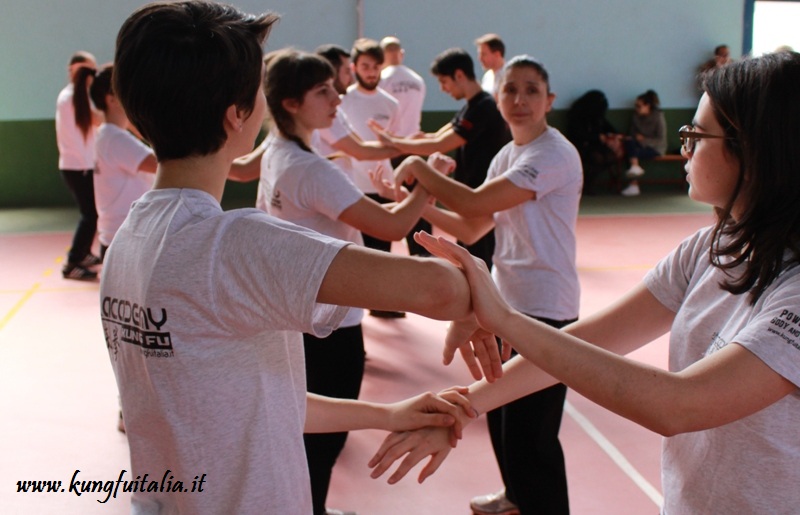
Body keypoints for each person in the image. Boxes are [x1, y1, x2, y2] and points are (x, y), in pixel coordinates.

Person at [103, 2, 504, 514]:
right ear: (238, 115)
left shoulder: (127, 242)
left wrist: (386, 414)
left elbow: (254, 402)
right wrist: (475, 299)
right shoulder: (232, 243)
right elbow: (440, 288)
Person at [370, 51, 800, 515]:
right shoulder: (711, 247)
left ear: (755, 151)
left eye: (696, 133)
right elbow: (590, 341)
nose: (687, 147)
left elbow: (679, 405)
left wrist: (506, 320)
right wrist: (462, 407)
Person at [381, 55, 582, 515]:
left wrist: (414, 162)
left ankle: (542, 505)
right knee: (504, 415)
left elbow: (474, 199)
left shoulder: (553, 153)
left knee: (534, 429)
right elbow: (472, 226)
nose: (519, 99)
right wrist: (419, 200)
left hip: (547, 305)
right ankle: (516, 496)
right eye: (510, 90)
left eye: (532, 90)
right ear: (497, 97)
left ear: (549, 100)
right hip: (506, 302)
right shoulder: (508, 154)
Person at [257, 48, 441, 515]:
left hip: (297, 312)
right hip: (329, 322)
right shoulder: (311, 169)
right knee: (322, 440)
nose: (337, 97)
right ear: (291, 103)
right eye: (323, 91)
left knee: (306, 434)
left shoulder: (278, 152)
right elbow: (393, 227)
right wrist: (429, 180)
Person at [370, 48, 510, 269]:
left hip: (482, 199)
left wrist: (397, 145)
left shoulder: (484, 107)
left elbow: (439, 144)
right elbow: (435, 136)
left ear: (459, 75)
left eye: (445, 81)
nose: (443, 89)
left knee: (480, 266)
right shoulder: (470, 107)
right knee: (469, 261)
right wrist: (396, 138)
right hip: (469, 200)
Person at [88, 64, 157, 259]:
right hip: (124, 241)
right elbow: (166, 164)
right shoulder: (115, 138)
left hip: (121, 239)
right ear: (111, 100)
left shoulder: (110, 134)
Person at [379, 35, 432, 258]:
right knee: (420, 204)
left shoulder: (381, 80)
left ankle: (385, 257)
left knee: (389, 204)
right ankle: (425, 253)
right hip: (416, 146)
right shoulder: (417, 80)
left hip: (391, 148)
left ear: (382, 56)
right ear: (400, 54)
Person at [55, 51, 101, 280]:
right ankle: (73, 262)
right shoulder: (71, 97)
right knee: (90, 214)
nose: (90, 75)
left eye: (93, 70)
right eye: (86, 70)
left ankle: (84, 253)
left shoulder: (80, 96)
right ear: (73, 71)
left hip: (82, 166)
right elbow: (98, 120)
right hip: (77, 168)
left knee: (93, 212)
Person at [566, 90, 623, 195]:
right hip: (580, 146)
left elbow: (610, 129)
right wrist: (598, 137)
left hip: (596, 146)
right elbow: (577, 135)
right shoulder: (577, 117)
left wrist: (613, 135)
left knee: (611, 157)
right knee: (598, 158)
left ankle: (588, 181)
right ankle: (587, 183)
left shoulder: (598, 118)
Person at [620, 89, 666, 197]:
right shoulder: (635, 116)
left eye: (639, 106)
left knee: (632, 154)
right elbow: (631, 133)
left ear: (647, 106)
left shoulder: (658, 117)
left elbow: (661, 139)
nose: (636, 108)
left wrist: (644, 139)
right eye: (636, 106)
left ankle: (633, 182)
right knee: (629, 145)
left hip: (655, 148)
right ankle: (635, 168)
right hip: (636, 146)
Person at [475, 33, 506, 98]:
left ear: (497, 54)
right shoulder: (487, 77)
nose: (480, 58)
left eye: (483, 54)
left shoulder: (509, 76)